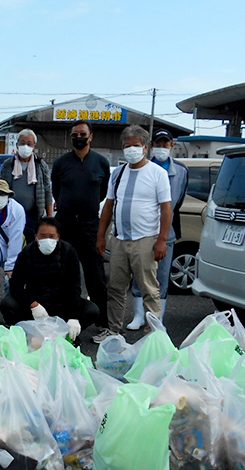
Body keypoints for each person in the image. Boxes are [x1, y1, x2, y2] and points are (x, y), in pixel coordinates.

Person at [96, 125, 172, 342]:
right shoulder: (118, 173)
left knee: (150, 289)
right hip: (119, 240)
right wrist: (102, 236)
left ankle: (153, 336)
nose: (131, 150)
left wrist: (162, 240)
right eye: (127, 146)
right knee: (116, 289)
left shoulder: (158, 173)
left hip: (146, 240)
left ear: (145, 148)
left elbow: (166, 209)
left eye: (135, 146)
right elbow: (109, 206)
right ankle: (113, 331)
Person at [51, 120, 112, 337]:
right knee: (61, 271)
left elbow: (103, 193)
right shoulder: (60, 164)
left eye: (82, 133)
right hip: (64, 223)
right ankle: (57, 318)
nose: (79, 137)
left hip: (89, 224)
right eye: (75, 134)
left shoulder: (101, 163)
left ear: (91, 136)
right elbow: (56, 192)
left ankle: (103, 323)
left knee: (95, 274)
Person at [126, 129, 189, 330]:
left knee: (161, 276)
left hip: (166, 232)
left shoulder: (181, 171)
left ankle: (156, 317)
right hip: (142, 230)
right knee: (139, 274)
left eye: (166, 144)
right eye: (158, 144)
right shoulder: (142, 167)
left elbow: (176, 202)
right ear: (151, 146)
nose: (162, 148)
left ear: (172, 146)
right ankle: (138, 315)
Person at [0, 217, 98, 342]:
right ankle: (30, 334)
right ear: (35, 236)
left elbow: (74, 287)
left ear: (58, 237)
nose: (47, 240)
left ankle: (67, 335)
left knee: (92, 310)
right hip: (37, 308)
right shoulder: (27, 253)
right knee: (7, 304)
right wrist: (33, 304)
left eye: (52, 236)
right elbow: (16, 285)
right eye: (43, 235)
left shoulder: (69, 252)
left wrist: (73, 317)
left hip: (62, 305)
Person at [0, 128, 53, 242]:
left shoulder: (41, 165)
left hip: (33, 215)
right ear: (17, 144)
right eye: (22, 143)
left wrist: (49, 217)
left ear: (34, 146)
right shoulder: (8, 164)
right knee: (12, 243)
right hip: (11, 214)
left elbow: (47, 191)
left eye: (29, 144)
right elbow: (0, 187)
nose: (25, 146)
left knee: (31, 244)